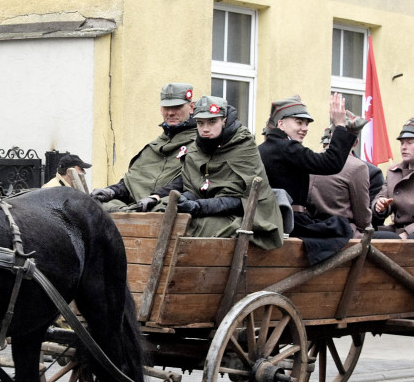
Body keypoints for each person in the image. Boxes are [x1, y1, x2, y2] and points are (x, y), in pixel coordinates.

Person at [143, 96, 283, 247]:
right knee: (160, 214)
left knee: (196, 227)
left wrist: (198, 207)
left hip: (250, 217)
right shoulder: (196, 148)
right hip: (209, 209)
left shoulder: (243, 146)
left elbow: (239, 200)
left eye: (212, 122)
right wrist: (183, 200)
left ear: (224, 120)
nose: (205, 129)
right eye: (200, 123)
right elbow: (195, 187)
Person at [258, 93, 361, 264]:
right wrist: (340, 125)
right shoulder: (287, 147)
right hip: (289, 223)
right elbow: (330, 163)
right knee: (341, 227)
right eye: (299, 122)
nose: (305, 128)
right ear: (281, 124)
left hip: (271, 222)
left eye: (306, 124)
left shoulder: (263, 148)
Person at [90, 83, 197, 210]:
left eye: (177, 107)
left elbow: (189, 182)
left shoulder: (200, 145)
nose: (170, 113)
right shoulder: (154, 146)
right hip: (136, 209)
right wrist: (112, 191)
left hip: (167, 209)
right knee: (96, 206)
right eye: (166, 107)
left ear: (191, 107)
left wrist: (156, 197)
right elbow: (133, 181)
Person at [308, 126, 372, 237]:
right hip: (341, 233)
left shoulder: (314, 158)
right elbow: (363, 219)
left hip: (311, 229)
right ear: (356, 143)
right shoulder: (357, 167)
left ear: (332, 136)